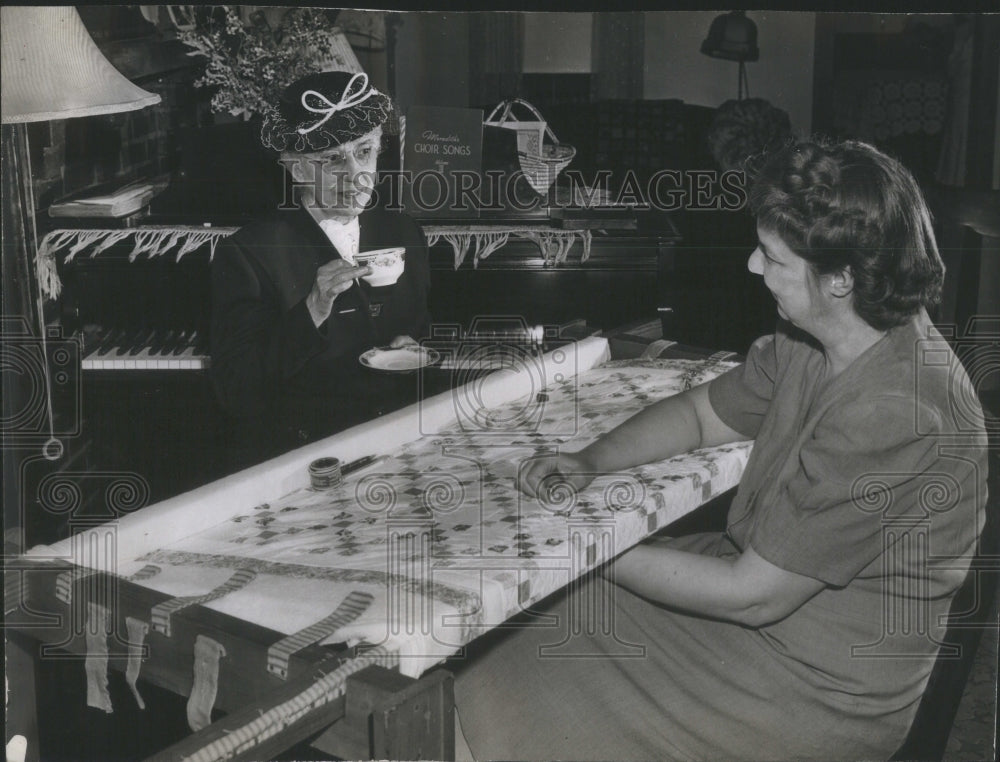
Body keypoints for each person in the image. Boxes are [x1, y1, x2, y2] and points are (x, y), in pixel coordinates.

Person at [452, 139, 989, 761]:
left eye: (772, 257)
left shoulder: (898, 408)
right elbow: (704, 414)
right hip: (771, 614)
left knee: (525, 647)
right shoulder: (822, 335)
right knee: (508, 630)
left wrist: (577, 548)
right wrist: (589, 461)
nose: (753, 268)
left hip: (811, 687)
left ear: (840, 279)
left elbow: (751, 594)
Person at [210, 71, 431, 459]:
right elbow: (235, 392)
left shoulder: (404, 232)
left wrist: (411, 349)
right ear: (297, 171)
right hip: (305, 454)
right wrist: (312, 310)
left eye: (363, 152)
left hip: (398, 444)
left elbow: (415, 332)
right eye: (332, 159)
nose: (354, 175)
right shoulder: (249, 252)